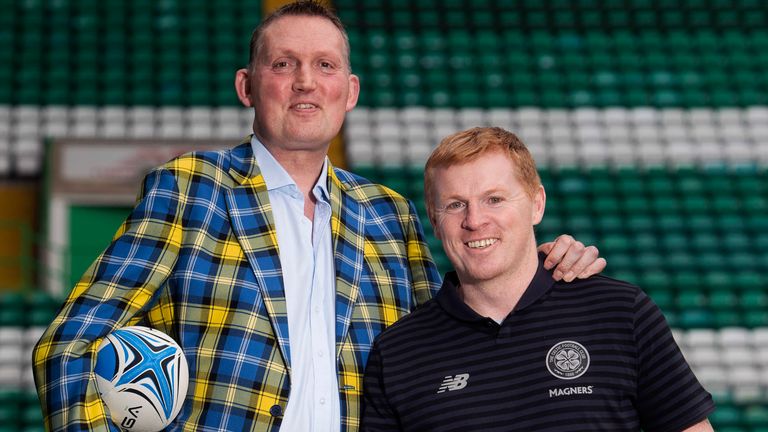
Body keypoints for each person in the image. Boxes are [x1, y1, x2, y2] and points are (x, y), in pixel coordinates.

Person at [32, 3, 605, 432]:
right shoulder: (190, 189)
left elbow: (454, 342)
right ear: (247, 86)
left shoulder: (389, 214)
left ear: (349, 91)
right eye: (284, 63)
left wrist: (546, 268)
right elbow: (70, 348)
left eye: (324, 65)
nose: (306, 81)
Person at [361, 127, 715, 432]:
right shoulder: (396, 354)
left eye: (494, 199)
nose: (475, 220)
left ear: (537, 203)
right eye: (455, 205)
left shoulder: (620, 313)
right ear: (435, 222)